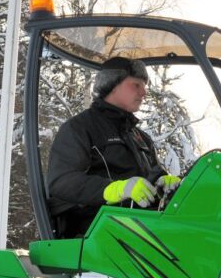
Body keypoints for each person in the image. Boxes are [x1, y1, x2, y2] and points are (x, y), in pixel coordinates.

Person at [47, 56, 182, 238]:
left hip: (139, 225)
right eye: (136, 85)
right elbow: (61, 181)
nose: (144, 92)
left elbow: (151, 177)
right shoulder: (80, 128)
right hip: (95, 231)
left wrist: (164, 182)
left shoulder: (140, 138)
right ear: (112, 84)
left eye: (144, 86)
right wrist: (115, 190)